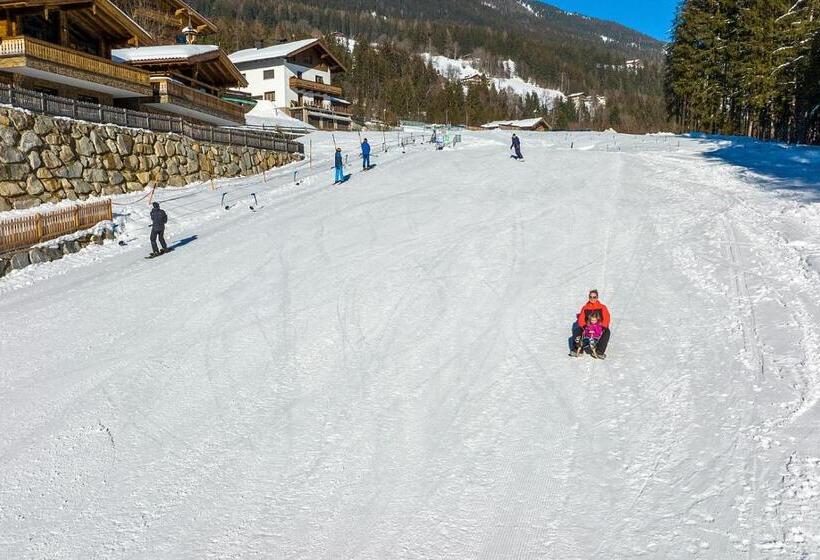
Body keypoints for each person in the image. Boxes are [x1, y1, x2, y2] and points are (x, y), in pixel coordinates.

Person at [571, 289, 611, 358]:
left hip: (598, 327)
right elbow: (581, 319)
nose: (592, 298)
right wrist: (585, 327)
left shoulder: (602, 307)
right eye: (591, 297)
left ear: (597, 297)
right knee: (577, 329)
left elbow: (607, 318)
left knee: (607, 331)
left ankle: (599, 351)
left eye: (594, 297)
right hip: (588, 326)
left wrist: (602, 327)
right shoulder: (585, 308)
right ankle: (577, 348)